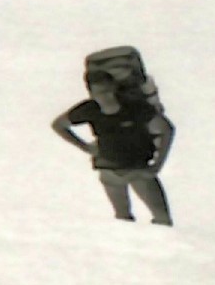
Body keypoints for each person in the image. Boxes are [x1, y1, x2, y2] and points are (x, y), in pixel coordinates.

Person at [51, 68, 175, 225]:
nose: (105, 96)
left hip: (138, 170)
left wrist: (158, 164)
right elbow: (58, 125)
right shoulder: (90, 109)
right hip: (108, 171)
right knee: (122, 220)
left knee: (162, 219)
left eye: (107, 90)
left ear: (114, 88)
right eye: (100, 92)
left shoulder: (135, 108)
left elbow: (166, 130)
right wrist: (85, 148)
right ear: (91, 93)